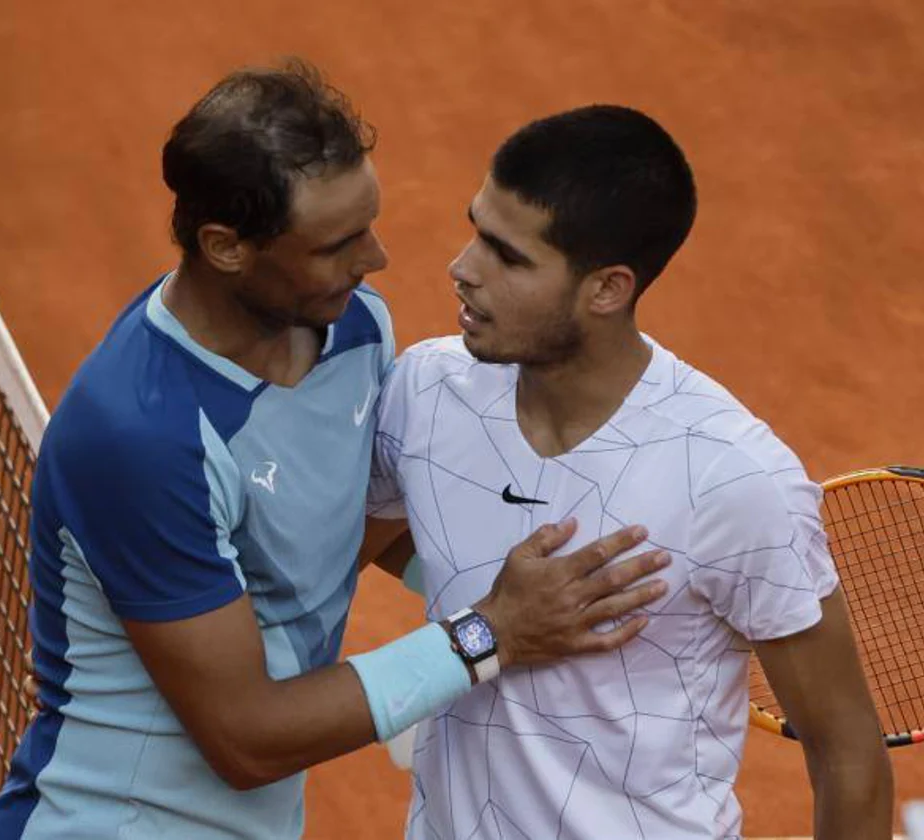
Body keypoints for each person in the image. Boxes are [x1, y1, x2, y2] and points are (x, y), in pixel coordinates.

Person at [0, 62, 671, 839]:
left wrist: (570, 598)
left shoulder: (355, 327)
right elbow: (247, 738)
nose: (376, 260)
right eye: (338, 243)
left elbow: (339, 528)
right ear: (226, 246)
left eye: (368, 224)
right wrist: (489, 632)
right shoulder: (139, 436)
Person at [367, 105, 894, 839]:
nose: (464, 269)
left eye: (508, 256)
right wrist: (506, 615)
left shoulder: (731, 479)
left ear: (608, 289)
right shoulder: (426, 392)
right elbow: (360, 548)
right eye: (476, 229)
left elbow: (847, 753)